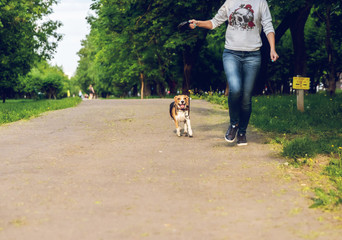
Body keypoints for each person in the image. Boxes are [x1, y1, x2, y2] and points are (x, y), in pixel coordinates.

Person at [189, 0, 279, 146]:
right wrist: (197, 23)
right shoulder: (230, 2)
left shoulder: (260, 2)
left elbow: (268, 26)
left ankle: (242, 132)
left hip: (253, 55)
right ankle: (233, 124)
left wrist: (272, 48)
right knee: (235, 89)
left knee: (246, 96)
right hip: (231, 54)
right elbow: (214, 22)